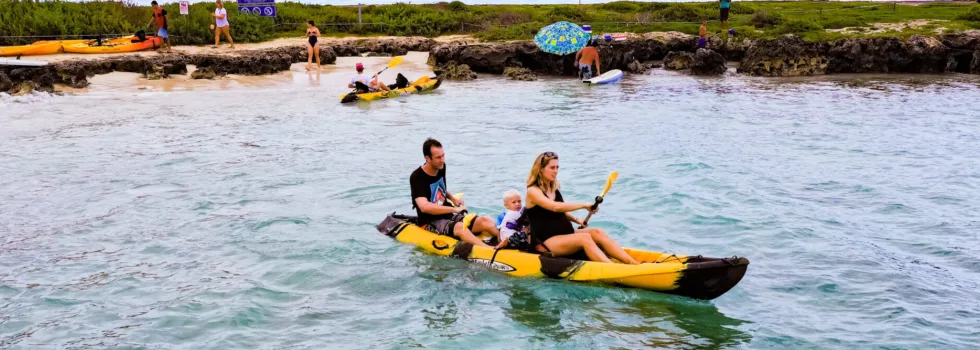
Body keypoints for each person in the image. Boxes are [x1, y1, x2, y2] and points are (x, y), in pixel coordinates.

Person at [524, 152, 640, 264]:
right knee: (584, 238)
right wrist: (584, 205)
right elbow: (554, 207)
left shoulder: (555, 185)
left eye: (557, 167)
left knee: (597, 232)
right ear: (540, 169)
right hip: (547, 242)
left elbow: (558, 212)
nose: (556, 171)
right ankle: (613, 268)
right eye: (552, 168)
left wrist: (576, 220)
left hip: (565, 233)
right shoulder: (533, 191)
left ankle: (633, 263)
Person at [410, 138, 499, 248]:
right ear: (428, 158)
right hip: (430, 222)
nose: (442, 159)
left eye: (443, 155)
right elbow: (424, 207)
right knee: (461, 227)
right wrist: (454, 209)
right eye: (438, 157)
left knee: (485, 221)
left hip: (447, 215)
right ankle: (490, 250)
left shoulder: (441, 166)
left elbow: (439, 188)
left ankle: (507, 241)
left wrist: (452, 199)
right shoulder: (417, 177)